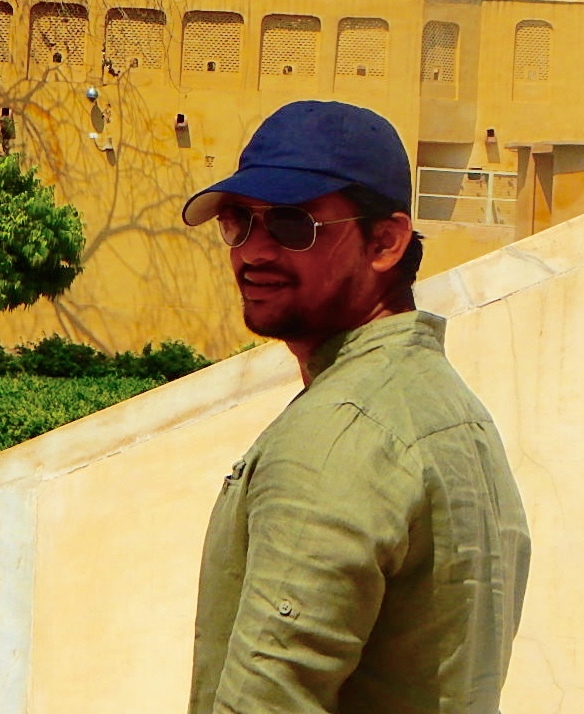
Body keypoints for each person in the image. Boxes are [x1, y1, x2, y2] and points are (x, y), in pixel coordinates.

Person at [181, 100, 530, 714]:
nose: (252, 251)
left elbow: (269, 700)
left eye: (292, 224)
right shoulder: (451, 410)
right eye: (239, 222)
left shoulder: (338, 435)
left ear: (386, 242)